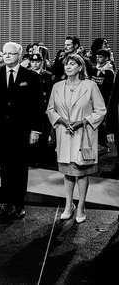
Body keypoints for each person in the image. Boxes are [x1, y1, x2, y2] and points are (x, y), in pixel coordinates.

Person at [0, 42, 43, 219]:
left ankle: (19, 203)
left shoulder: (31, 76)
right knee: (4, 168)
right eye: (5, 53)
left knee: (20, 168)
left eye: (11, 53)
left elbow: (37, 106)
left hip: (22, 131)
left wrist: (36, 130)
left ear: (19, 55)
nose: (7, 56)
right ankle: (6, 201)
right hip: (1, 130)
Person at [46, 53, 106, 223]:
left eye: (72, 64)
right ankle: (68, 205)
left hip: (83, 133)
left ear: (80, 67)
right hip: (64, 133)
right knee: (68, 171)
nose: (68, 67)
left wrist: (82, 122)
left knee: (82, 171)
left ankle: (81, 206)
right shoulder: (57, 86)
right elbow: (50, 109)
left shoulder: (90, 86)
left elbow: (101, 110)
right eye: (66, 64)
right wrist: (62, 120)